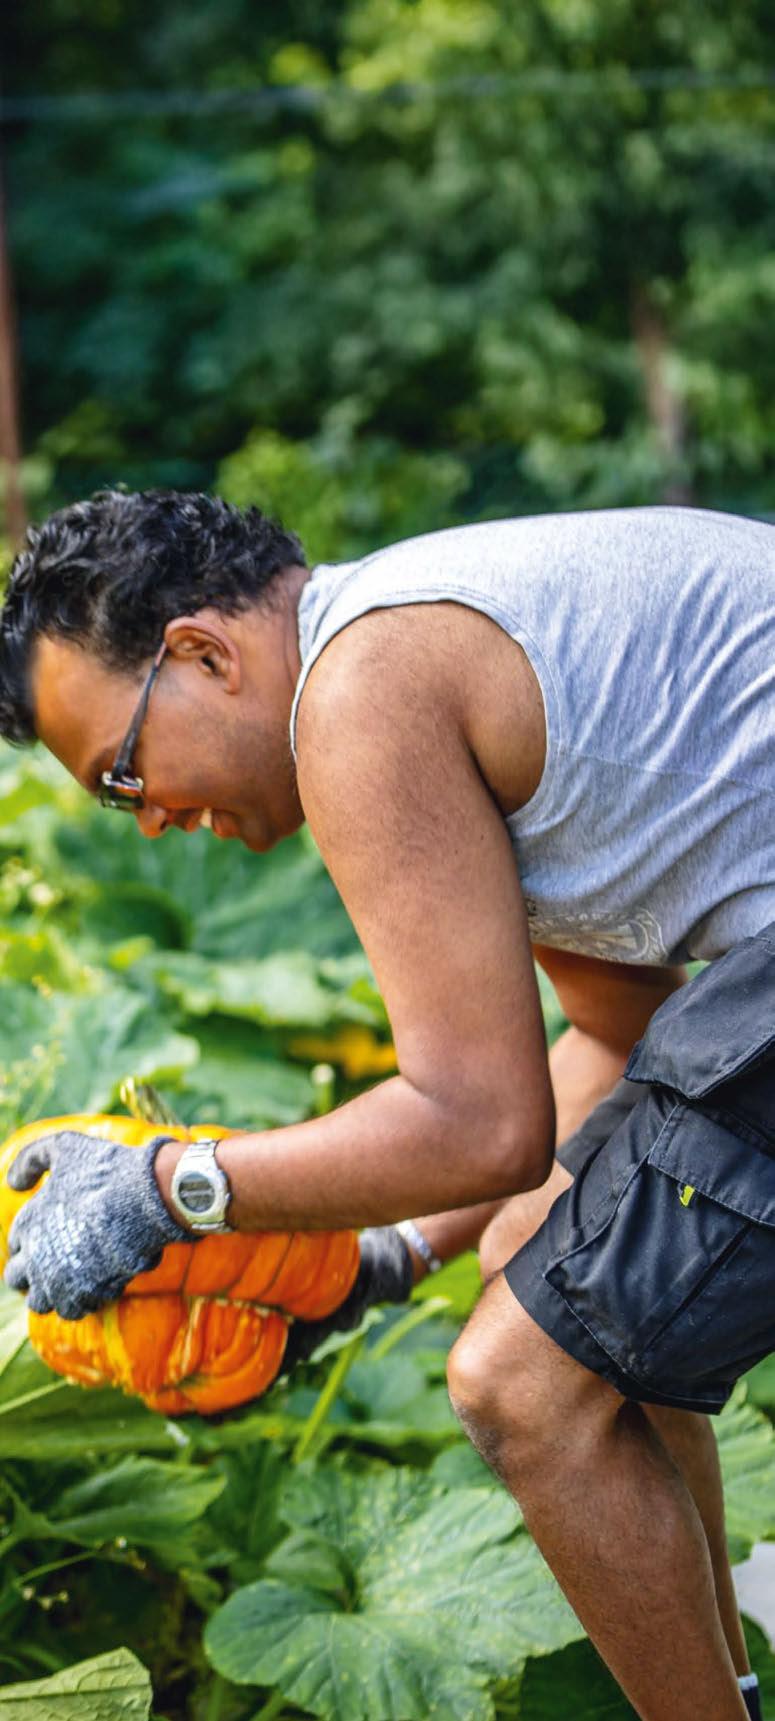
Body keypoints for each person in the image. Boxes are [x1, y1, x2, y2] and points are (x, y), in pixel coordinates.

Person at [1, 489, 773, 1721]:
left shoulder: (357, 693)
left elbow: (478, 1123)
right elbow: (612, 1033)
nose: (148, 820)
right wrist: (386, 1258)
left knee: (523, 1384)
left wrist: (165, 1187)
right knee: (536, 1256)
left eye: (123, 772)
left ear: (203, 654)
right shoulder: (413, 638)